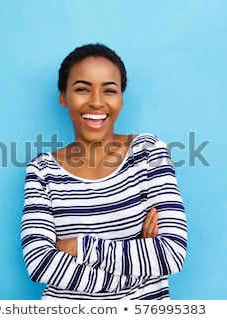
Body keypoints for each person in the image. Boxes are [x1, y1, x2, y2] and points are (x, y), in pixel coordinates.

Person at [21, 43, 187, 299]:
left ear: (121, 99)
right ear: (64, 97)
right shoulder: (42, 171)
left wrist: (78, 246)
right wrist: (138, 269)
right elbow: (39, 263)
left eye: (109, 90)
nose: (97, 102)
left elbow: (172, 254)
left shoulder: (148, 152)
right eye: (82, 89)